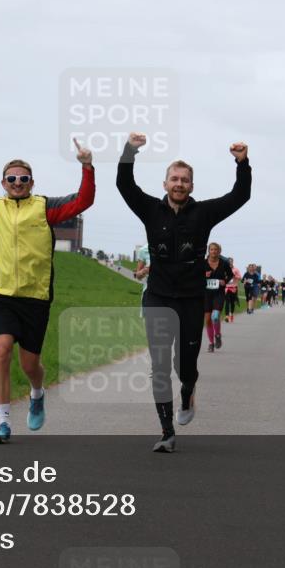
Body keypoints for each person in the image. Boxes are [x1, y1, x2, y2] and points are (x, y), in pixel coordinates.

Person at [116, 132, 251, 453]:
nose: (179, 184)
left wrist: (242, 162)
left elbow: (240, 195)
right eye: (174, 179)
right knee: (160, 365)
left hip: (191, 300)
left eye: (185, 180)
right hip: (158, 298)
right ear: (165, 184)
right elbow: (125, 185)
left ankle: (188, 390)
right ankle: (166, 431)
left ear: (192, 186)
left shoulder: (203, 213)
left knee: (184, 366)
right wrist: (129, 151)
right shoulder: (150, 210)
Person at [0, 137, 95, 443]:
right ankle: (3, 422)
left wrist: (86, 166)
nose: (17, 183)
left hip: (35, 297)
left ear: (32, 182)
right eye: (12, 179)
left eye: (23, 179)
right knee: (2, 349)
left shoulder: (45, 208)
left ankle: (37, 392)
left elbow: (83, 201)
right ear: (3, 182)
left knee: (29, 364)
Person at [204, 244, 232, 349]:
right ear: (209, 251)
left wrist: (224, 281)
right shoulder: (203, 264)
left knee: (215, 316)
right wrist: (204, 276)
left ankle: (218, 335)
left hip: (219, 293)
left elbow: (230, 275)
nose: (214, 251)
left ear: (219, 251)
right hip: (206, 294)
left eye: (216, 249)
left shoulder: (224, 263)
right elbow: (195, 276)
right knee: (207, 319)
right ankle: (211, 343)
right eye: (212, 249)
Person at [223, 257, 240, 323]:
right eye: (228, 261)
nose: (230, 262)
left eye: (231, 261)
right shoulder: (224, 269)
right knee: (227, 302)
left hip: (233, 287)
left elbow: (240, 277)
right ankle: (227, 316)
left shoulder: (236, 269)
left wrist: (234, 276)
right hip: (227, 287)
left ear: (233, 262)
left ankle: (231, 314)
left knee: (232, 303)